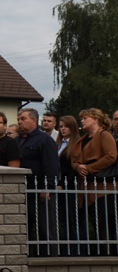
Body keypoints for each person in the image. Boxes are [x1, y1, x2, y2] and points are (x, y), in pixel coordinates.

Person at [71, 108, 118, 256]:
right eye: (81, 118)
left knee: (106, 224)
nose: (82, 121)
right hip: (88, 189)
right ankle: (104, 254)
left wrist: (90, 168)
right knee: (97, 224)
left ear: (95, 119)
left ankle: (110, 257)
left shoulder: (104, 135)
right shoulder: (82, 139)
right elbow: (73, 160)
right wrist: (78, 167)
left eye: (85, 118)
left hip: (104, 189)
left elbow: (111, 156)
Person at [16, 107, 59, 257]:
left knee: (45, 229)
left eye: (23, 119)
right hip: (22, 192)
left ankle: (49, 261)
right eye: (18, 119)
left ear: (34, 120)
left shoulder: (44, 140)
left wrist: (47, 188)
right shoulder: (17, 140)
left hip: (39, 193)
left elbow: (51, 166)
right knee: (24, 229)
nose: (19, 122)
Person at [56, 115, 80, 255]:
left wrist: (64, 184)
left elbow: (72, 168)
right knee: (62, 219)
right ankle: (64, 250)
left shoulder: (76, 143)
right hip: (59, 185)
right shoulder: (58, 143)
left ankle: (74, 251)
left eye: (66, 126)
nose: (63, 129)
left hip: (70, 186)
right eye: (61, 126)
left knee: (72, 219)